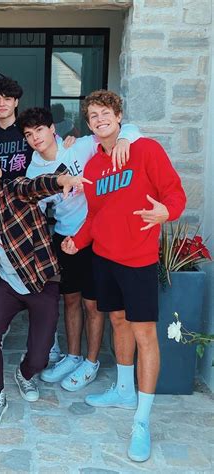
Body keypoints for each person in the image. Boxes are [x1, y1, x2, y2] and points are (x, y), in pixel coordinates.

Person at [62, 90, 186, 462]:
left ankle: (142, 420)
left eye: (105, 113)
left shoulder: (145, 150)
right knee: (117, 320)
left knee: (144, 332)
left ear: (118, 116)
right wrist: (77, 241)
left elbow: (174, 193)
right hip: (104, 259)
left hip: (138, 260)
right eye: (92, 116)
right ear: (89, 125)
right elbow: (98, 214)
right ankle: (123, 390)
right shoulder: (94, 167)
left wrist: (167, 213)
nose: (99, 120)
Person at [0, 147, 91, 431]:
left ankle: (24, 372)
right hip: (8, 286)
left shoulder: (15, 192)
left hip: (42, 282)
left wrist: (60, 182)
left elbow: (35, 185)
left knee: (40, 358)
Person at [18, 107, 142, 392]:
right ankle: (73, 356)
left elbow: (131, 129)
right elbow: (33, 210)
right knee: (71, 301)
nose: (35, 137)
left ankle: (91, 361)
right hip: (66, 238)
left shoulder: (81, 146)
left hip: (97, 235)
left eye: (39, 130)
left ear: (53, 129)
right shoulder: (33, 170)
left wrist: (124, 139)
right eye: (28, 134)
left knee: (93, 304)